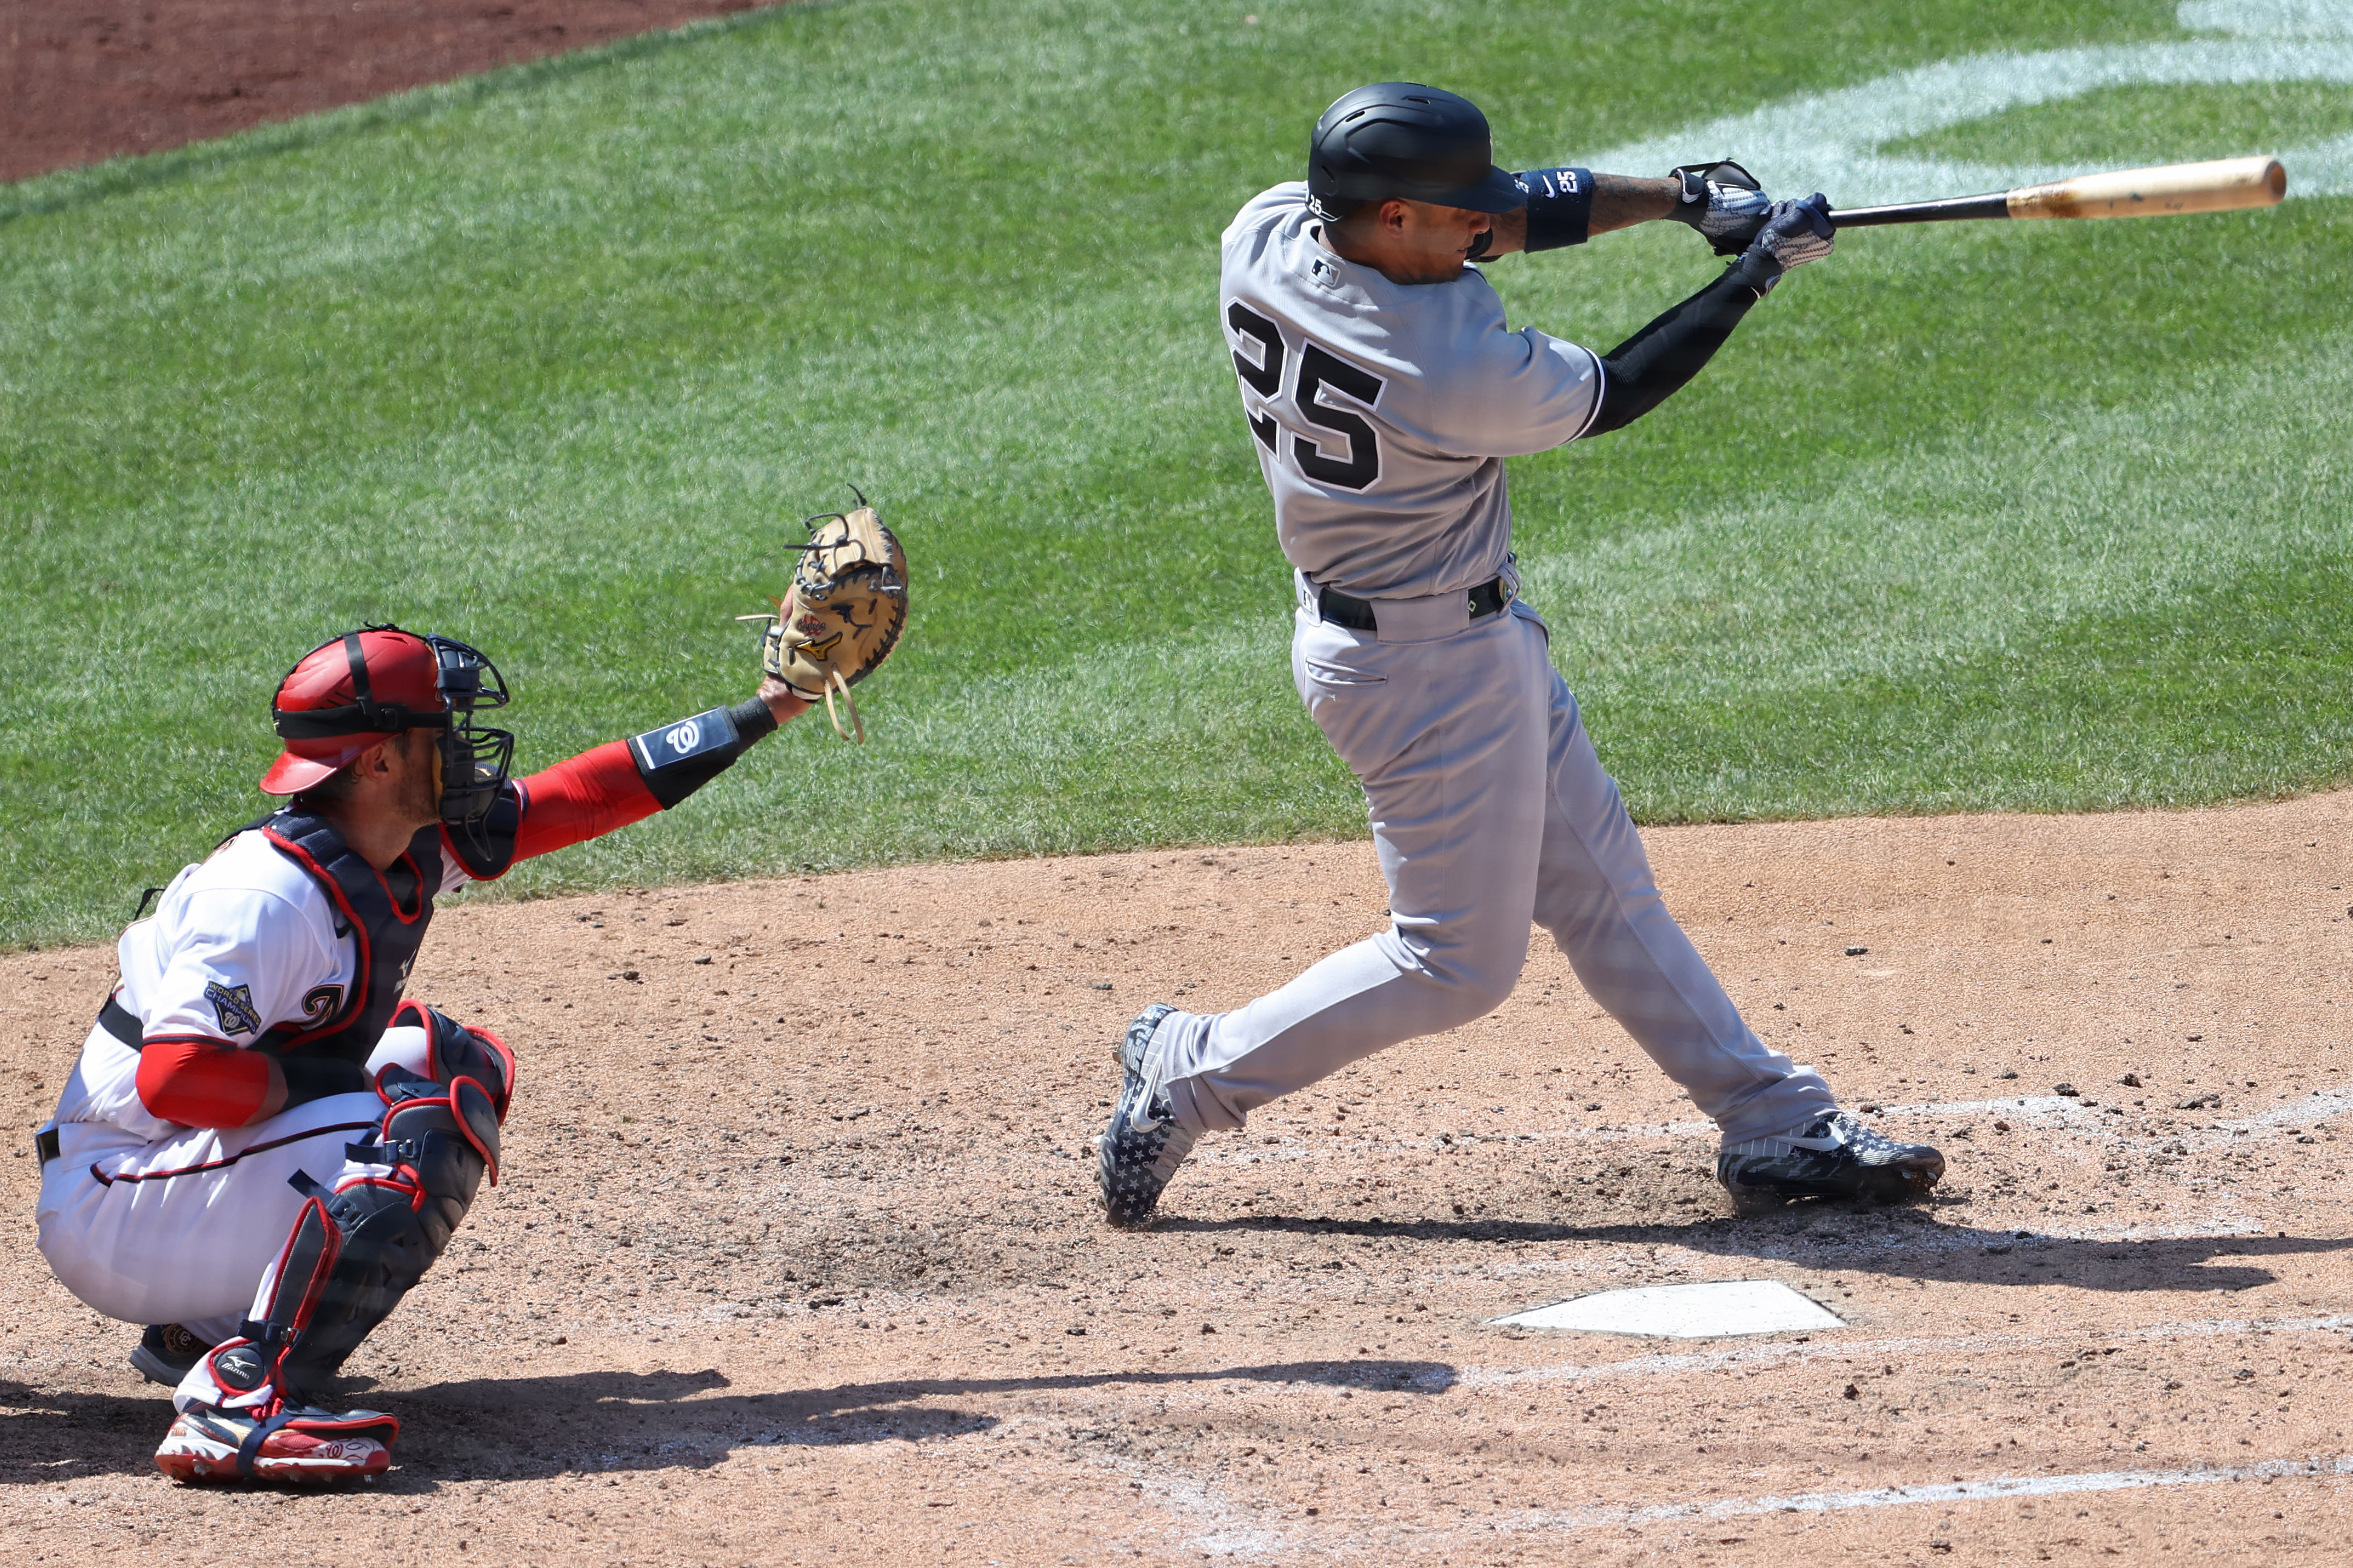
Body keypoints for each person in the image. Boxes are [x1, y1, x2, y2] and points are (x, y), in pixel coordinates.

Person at [1098, 82, 1943, 1227]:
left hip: (1433, 638)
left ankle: (1772, 1121)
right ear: (1392, 217)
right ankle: (1192, 1071)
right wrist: (1750, 276)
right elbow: (1617, 390)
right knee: (1453, 963)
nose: (1482, 233)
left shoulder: (1267, 227)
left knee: (1598, 888)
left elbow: (1509, 213)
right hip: (1424, 677)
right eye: (1457, 220)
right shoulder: (1438, 363)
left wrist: (1682, 196)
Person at [35, 625, 808, 1481]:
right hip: (117, 1200)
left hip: (176, 1182)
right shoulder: (267, 899)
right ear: (377, 763)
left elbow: (582, 795)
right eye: (440, 731)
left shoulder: (395, 843)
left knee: (448, 1061)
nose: (463, 747)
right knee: (415, 1129)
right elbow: (177, 1077)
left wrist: (771, 708)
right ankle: (243, 1401)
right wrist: (325, 1088)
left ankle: (206, 1331)